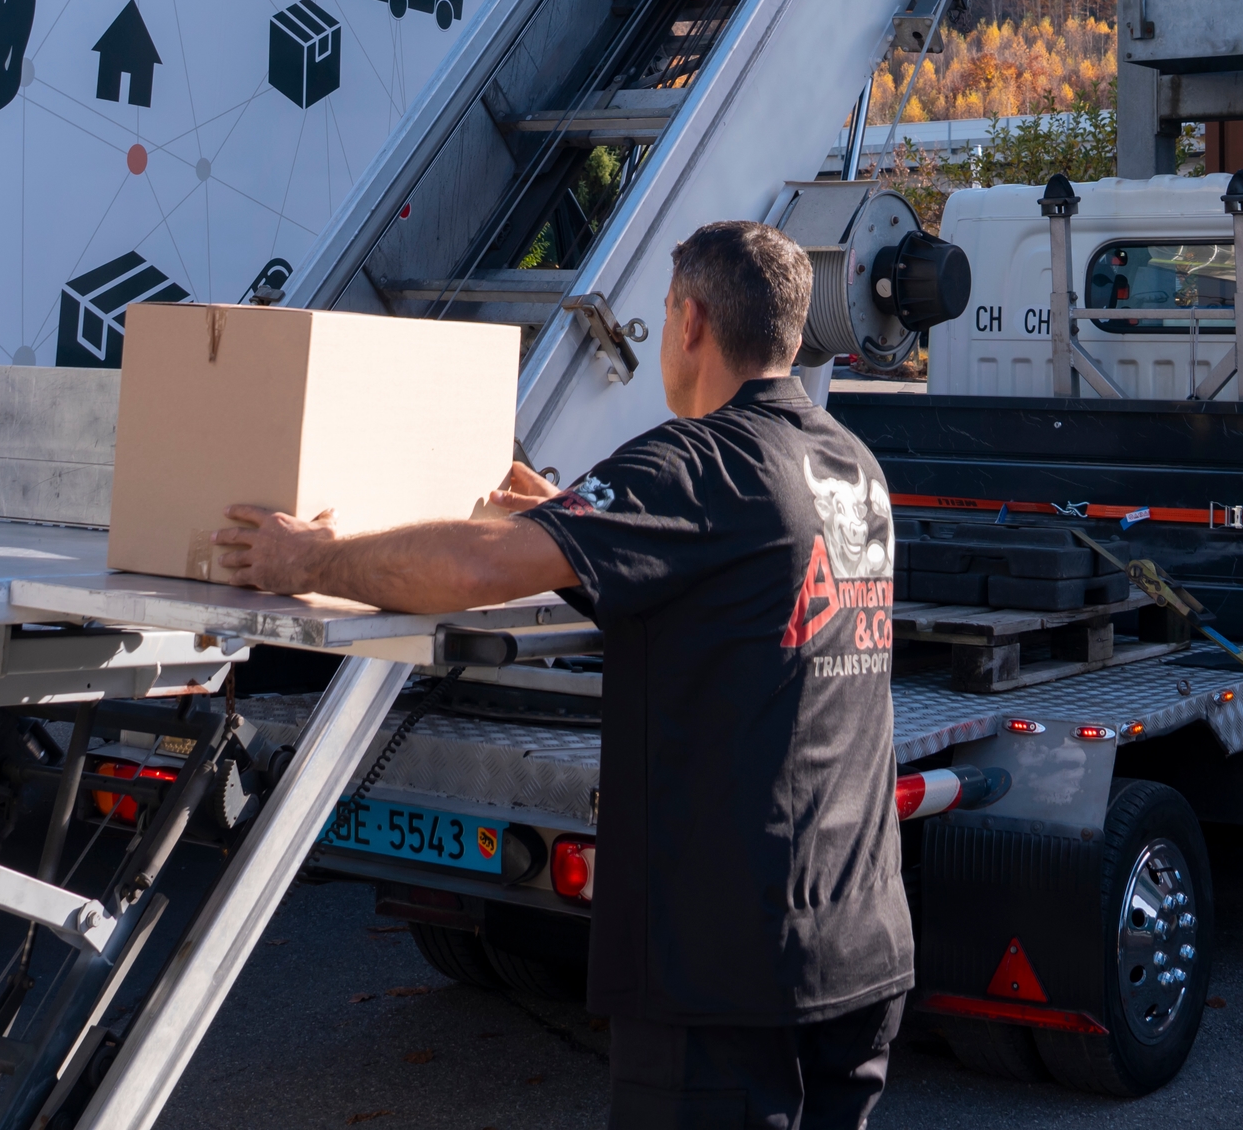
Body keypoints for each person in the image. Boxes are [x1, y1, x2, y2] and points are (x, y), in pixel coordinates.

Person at [214, 222, 909, 1130]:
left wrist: (316, 557)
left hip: (728, 971)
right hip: (856, 948)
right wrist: (567, 524)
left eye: (663, 315)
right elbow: (734, 605)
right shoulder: (850, 468)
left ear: (690, 321)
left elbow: (472, 574)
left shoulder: (700, 464)